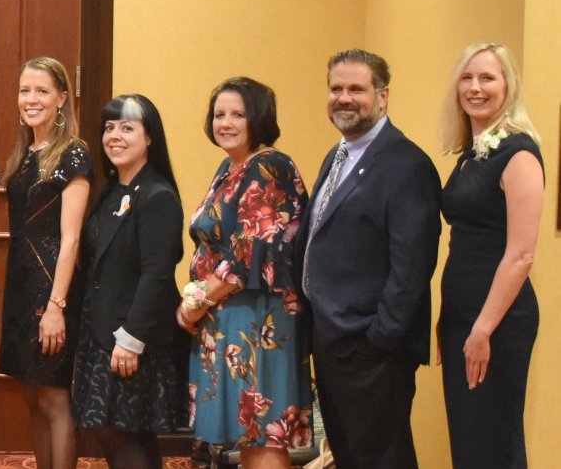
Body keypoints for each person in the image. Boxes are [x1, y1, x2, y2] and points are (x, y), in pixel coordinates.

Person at [300, 49, 440, 469]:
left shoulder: (406, 164)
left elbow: (412, 267)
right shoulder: (338, 155)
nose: (344, 98)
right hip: (332, 341)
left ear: (383, 96)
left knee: (382, 459)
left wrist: (379, 340)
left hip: (371, 349)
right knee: (349, 457)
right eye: (336, 88)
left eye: (356, 89)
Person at [176, 77, 311, 469]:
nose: (226, 122)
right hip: (228, 315)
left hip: (259, 320)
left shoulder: (270, 165)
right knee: (249, 439)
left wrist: (194, 305)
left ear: (259, 118)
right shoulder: (231, 166)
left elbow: (245, 256)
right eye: (220, 114)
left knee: (265, 436)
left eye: (238, 114)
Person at [437, 42, 543, 469]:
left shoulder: (518, 153)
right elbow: (462, 241)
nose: (475, 88)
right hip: (464, 316)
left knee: (494, 441)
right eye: (467, 77)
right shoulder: (470, 153)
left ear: (508, 86)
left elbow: (521, 255)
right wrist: (449, 316)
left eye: (487, 78)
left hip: (497, 321)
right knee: (469, 441)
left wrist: (481, 330)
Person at [72, 94, 187, 469]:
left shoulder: (157, 194)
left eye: (127, 127)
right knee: (122, 432)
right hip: (102, 329)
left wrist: (131, 339)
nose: (115, 136)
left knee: (121, 432)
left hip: (131, 337)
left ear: (149, 137)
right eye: (109, 128)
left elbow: (157, 273)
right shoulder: (114, 190)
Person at [0, 57, 90, 469]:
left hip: (53, 290)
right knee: (32, 395)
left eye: (41, 91)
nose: (31, 99)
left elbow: (71, 239)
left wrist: (56, 307)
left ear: (62, 99)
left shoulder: (73, 154)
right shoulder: (24, 153)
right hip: (20, 285)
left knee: (54, 398)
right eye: (24, 90)